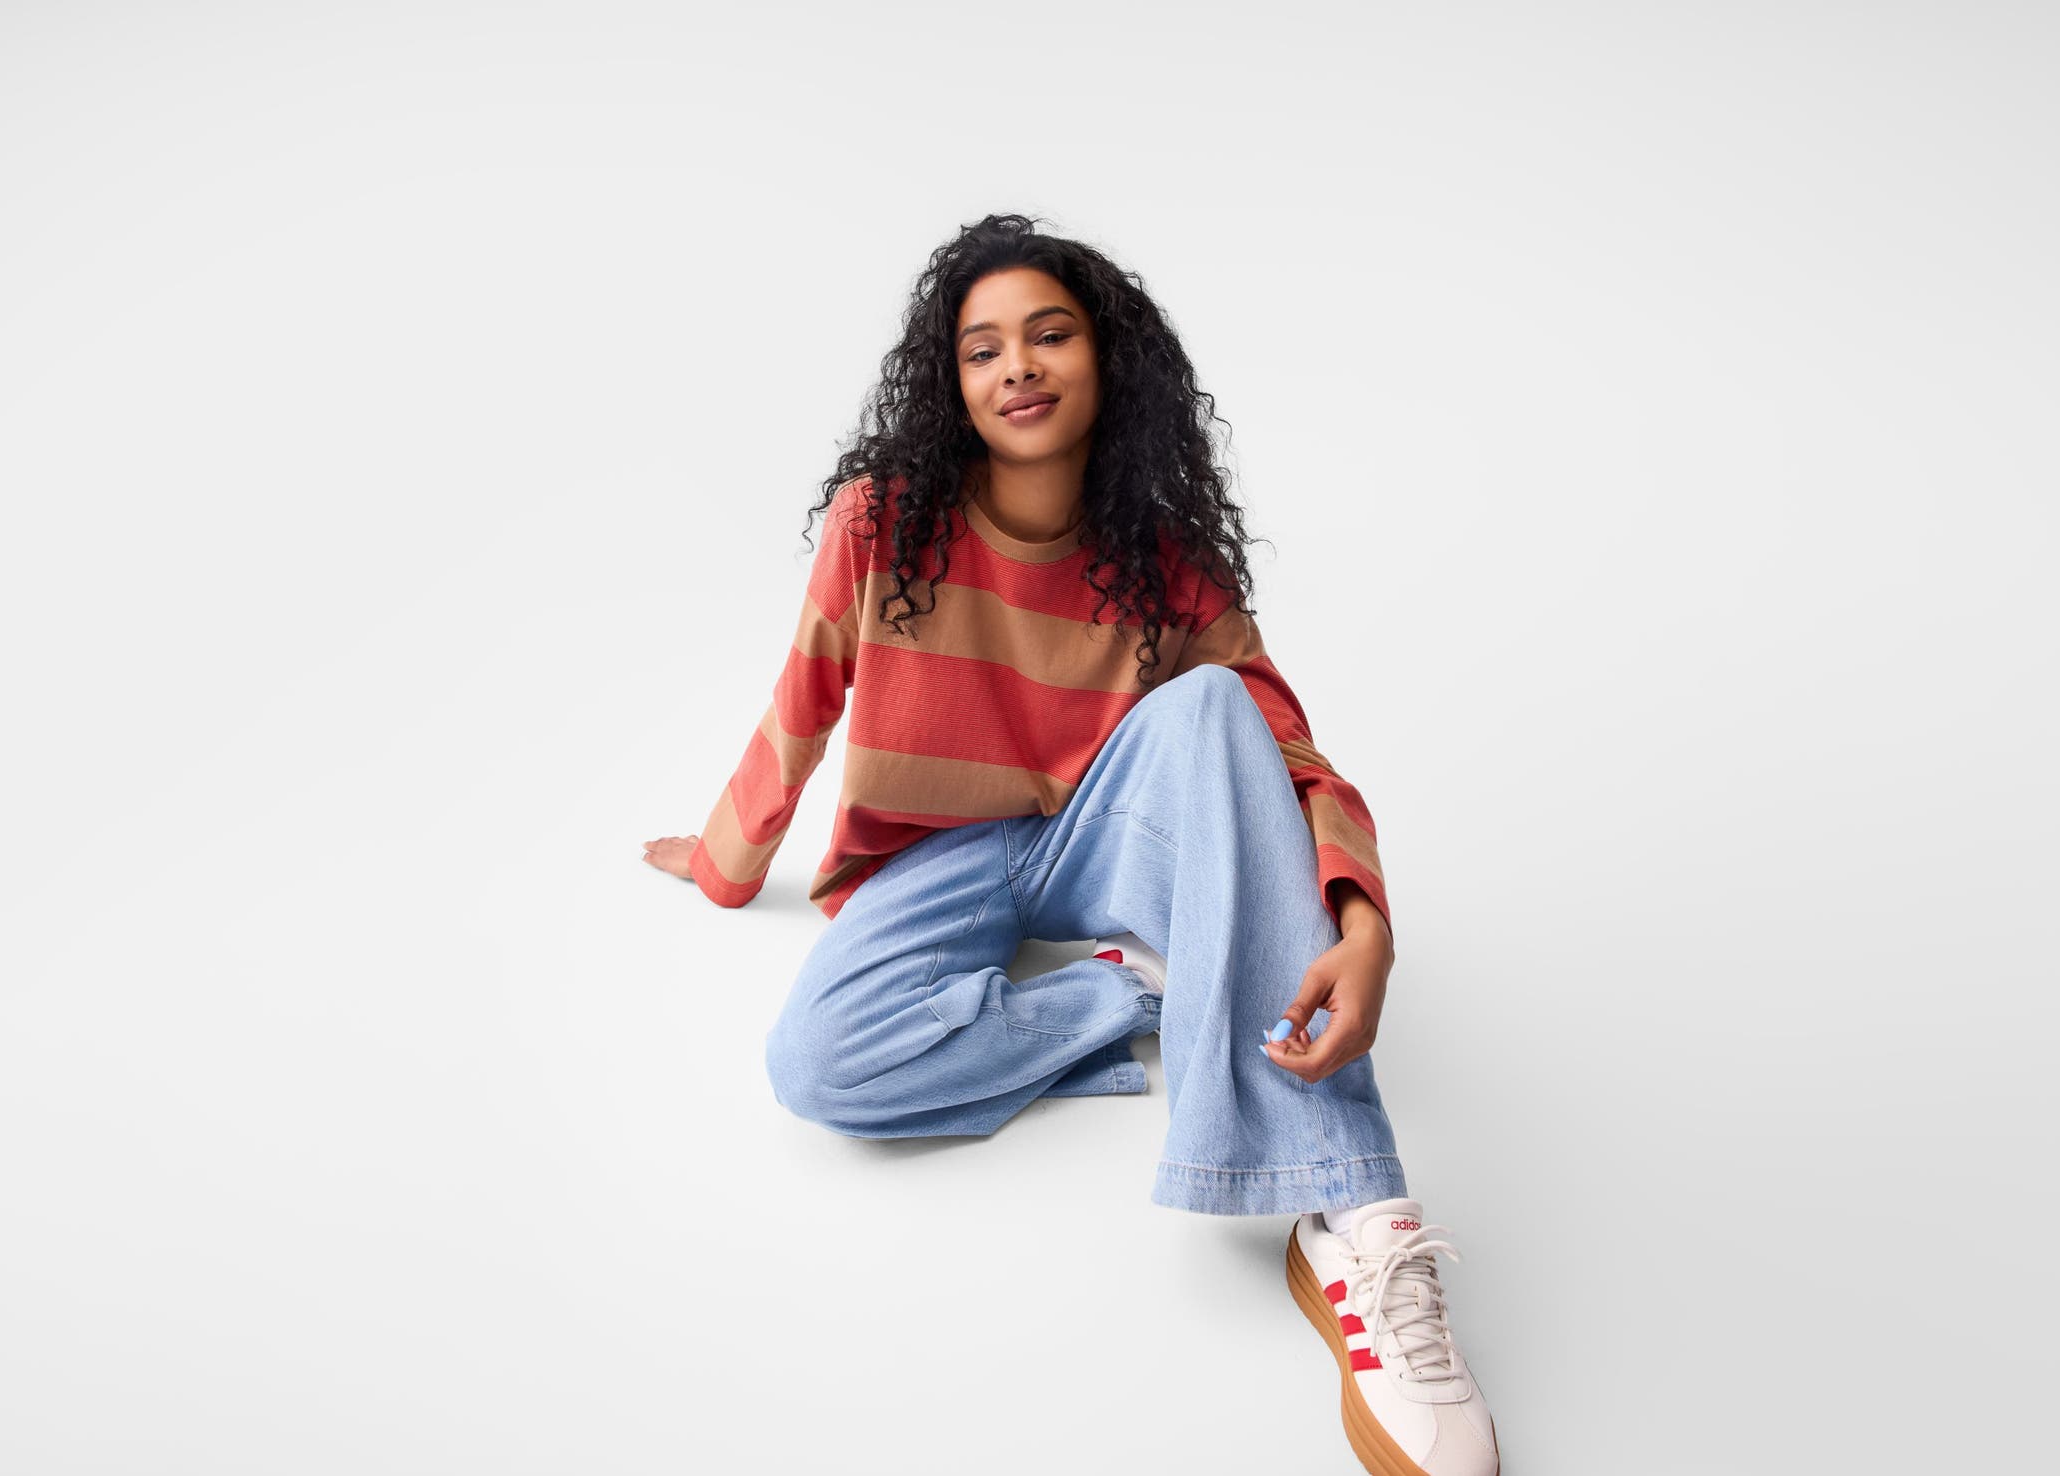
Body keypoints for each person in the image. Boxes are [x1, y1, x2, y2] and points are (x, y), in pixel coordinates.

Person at [641, 213, 1499, 1476]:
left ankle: (1350, 1214)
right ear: (952, 385)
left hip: (1105, 835)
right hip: (933, 858)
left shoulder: (1166, 562)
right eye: (982, 349)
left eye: (1049, 335)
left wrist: (1364, 925)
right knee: (817, 1067)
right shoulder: (882, 528)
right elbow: (805, 694)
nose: (1016, 367)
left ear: (1109, 362)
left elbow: (1286, 751)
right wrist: (724, 863)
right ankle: (1129, 992)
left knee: (1212, 707)